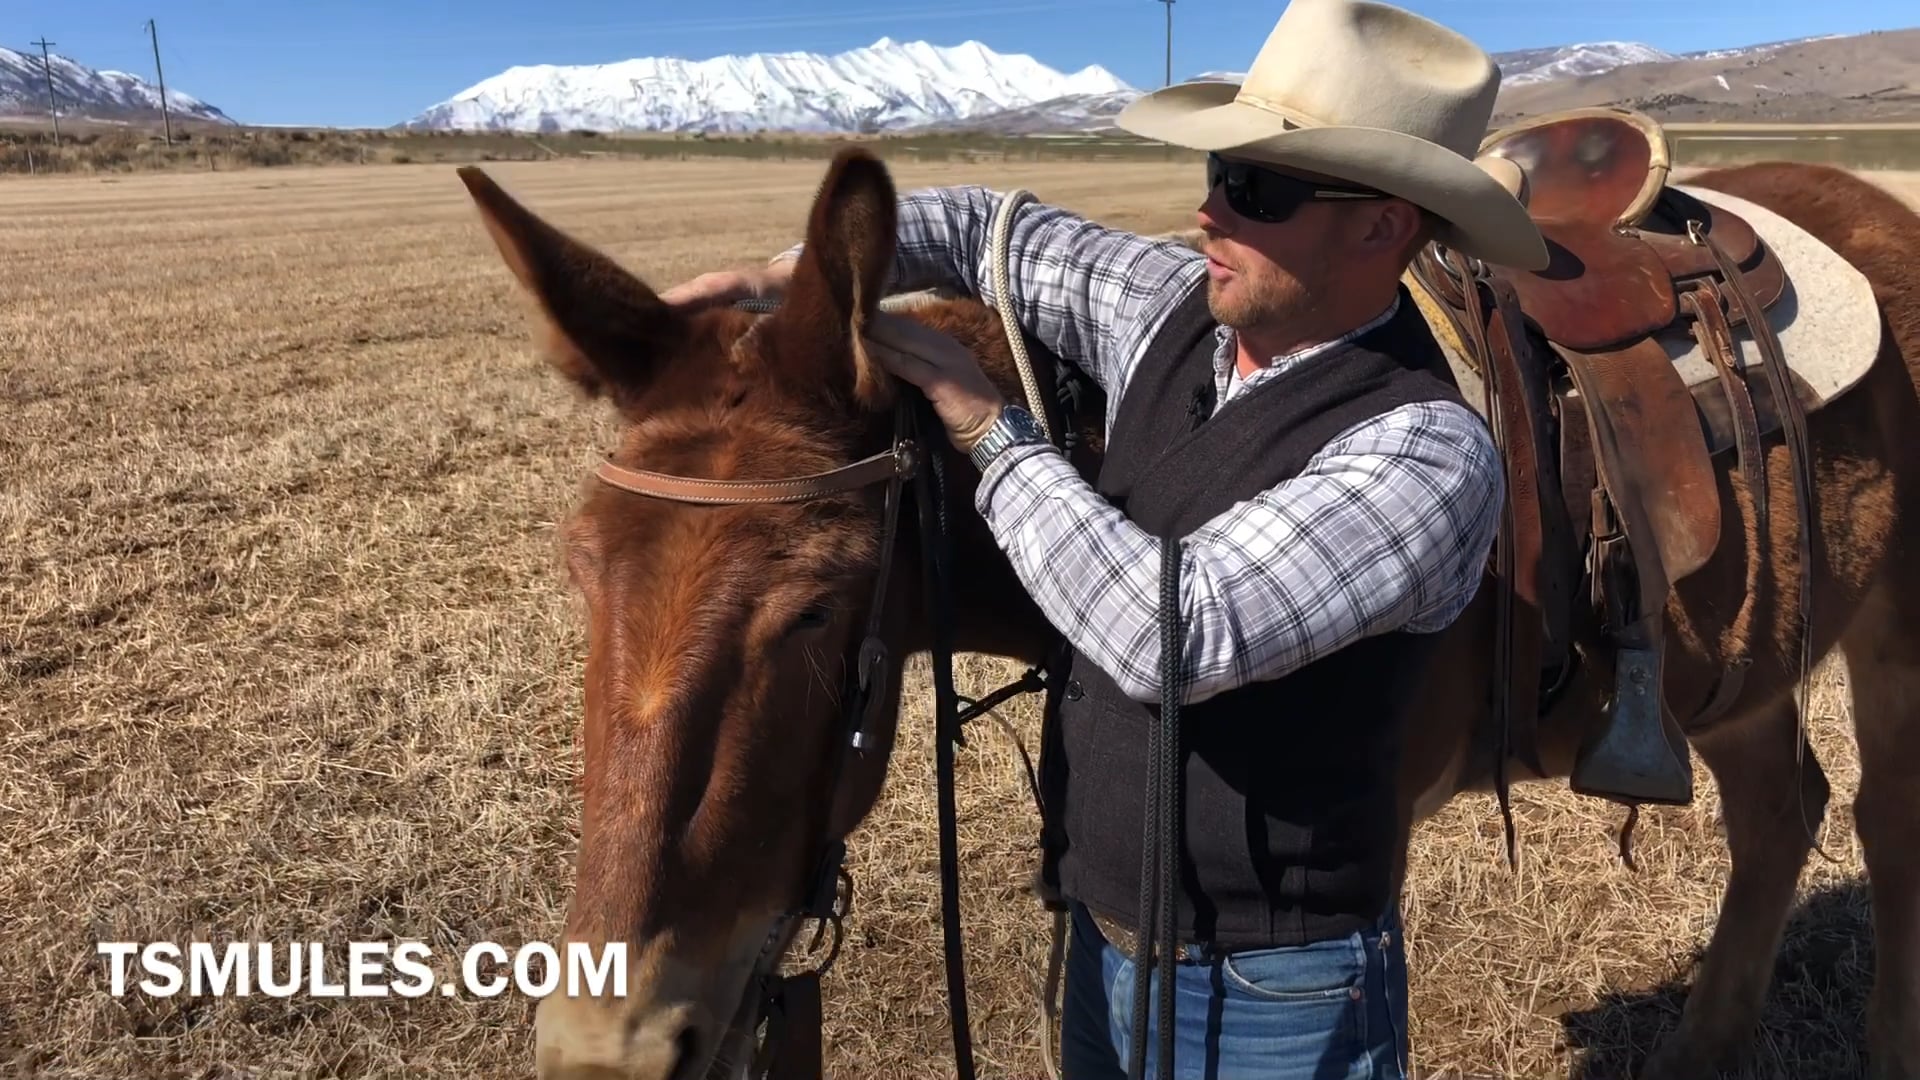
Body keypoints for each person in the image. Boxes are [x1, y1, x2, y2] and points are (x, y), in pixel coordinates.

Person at [666, 1, 1548, 1075]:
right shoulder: (1176, 309)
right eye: (1221, 170)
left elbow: (1170, 637)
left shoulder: (1425, 451)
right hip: (1103, 931)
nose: (1208, 212)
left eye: (1256, 189)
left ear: (1381, 228)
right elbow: (997, 232)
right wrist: (794, 281)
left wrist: (989, 431)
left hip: (1277, 986)